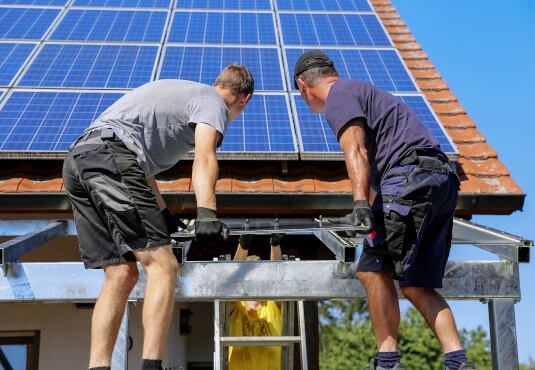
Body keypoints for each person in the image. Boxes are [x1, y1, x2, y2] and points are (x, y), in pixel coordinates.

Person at [62, 64, 254, 370]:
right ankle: (151, 367)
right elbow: (205, 157)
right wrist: (206, 212)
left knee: (121, 274)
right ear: (243, 99)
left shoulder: (182, 96)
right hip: (111, 158)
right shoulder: (213, 102)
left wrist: (164, 215)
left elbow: (140, 170)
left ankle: (98, 367)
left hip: (79, 161)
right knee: (164, 267)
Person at [293, 50, 475, 370]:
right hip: (441, 182)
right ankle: (458, 361)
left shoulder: (340, 96)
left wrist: (361, 206)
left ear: (302, 86)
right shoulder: (363, 93)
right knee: (416, 284)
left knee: (372, 269)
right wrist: (373, 206)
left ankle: (388, 362)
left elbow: (356, 149)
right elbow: (380, 174)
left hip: (409, 179)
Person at [228, 233, 285, 370]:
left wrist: (275, 244)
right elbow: (233, 285)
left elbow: (278, 280)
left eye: (259, 275)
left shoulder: (273, 305)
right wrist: (243, 245)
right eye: (250, 275)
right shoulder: (236, 306)